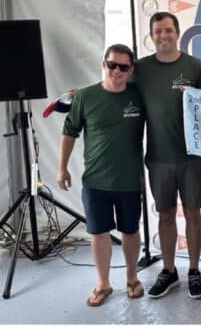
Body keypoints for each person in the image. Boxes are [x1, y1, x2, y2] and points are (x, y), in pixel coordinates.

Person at [57, 44, 146, 306]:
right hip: (95, 182)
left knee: (130, 232)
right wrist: (61, 167)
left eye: (123, 67)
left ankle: (132, 278)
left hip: (129, 181)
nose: (117, 71)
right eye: (112, 65)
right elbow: (69, 132)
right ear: (103, 64)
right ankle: (103, 283)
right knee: (99, 233)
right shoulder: (85, 97)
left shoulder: (139, 96)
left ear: (131, 70)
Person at [133, 12, 201, 298]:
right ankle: (169, 271)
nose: (163, 36)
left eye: (168, 30)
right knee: (165, 214)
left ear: (177, 33)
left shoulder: (195, 67)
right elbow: (114, 89)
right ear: (152, 35)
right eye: (158, 31)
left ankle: (194, 270)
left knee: (193, 213)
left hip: (192, 157)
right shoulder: (140, 68)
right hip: (158, 158)